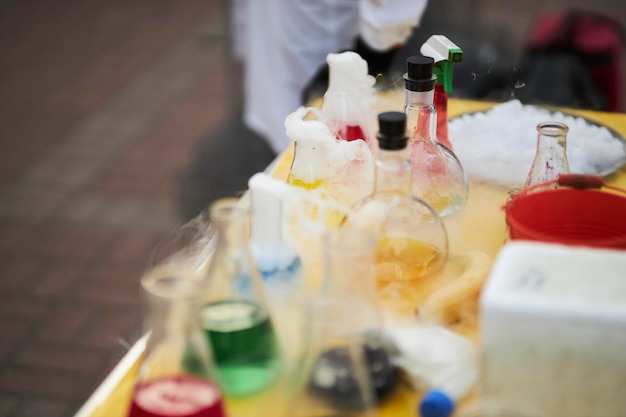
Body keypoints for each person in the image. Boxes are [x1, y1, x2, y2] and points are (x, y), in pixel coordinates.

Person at [231, 0, 429, 154]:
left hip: (325, 36)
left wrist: (376, 46)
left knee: (333, 151)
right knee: (289, 143)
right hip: (275, 28)